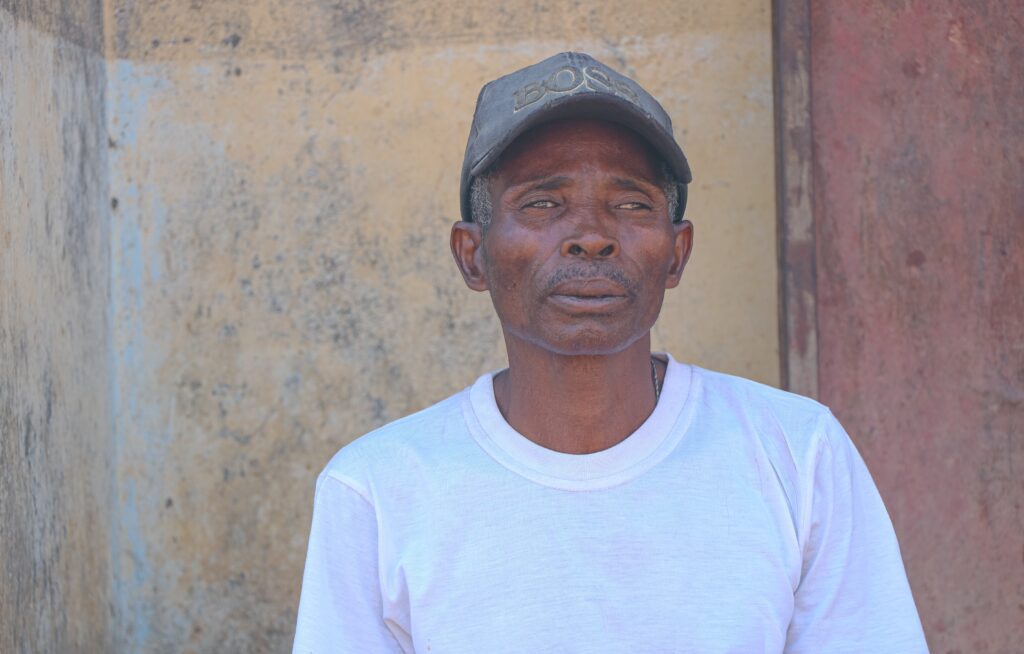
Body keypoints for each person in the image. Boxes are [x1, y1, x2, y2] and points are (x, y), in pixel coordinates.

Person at [292, 52, 928, 653]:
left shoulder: (798, 454)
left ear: (676, 253)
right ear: (472, 255)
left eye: (630, 204)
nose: (591, 238)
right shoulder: (377, 489)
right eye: (542, 203)